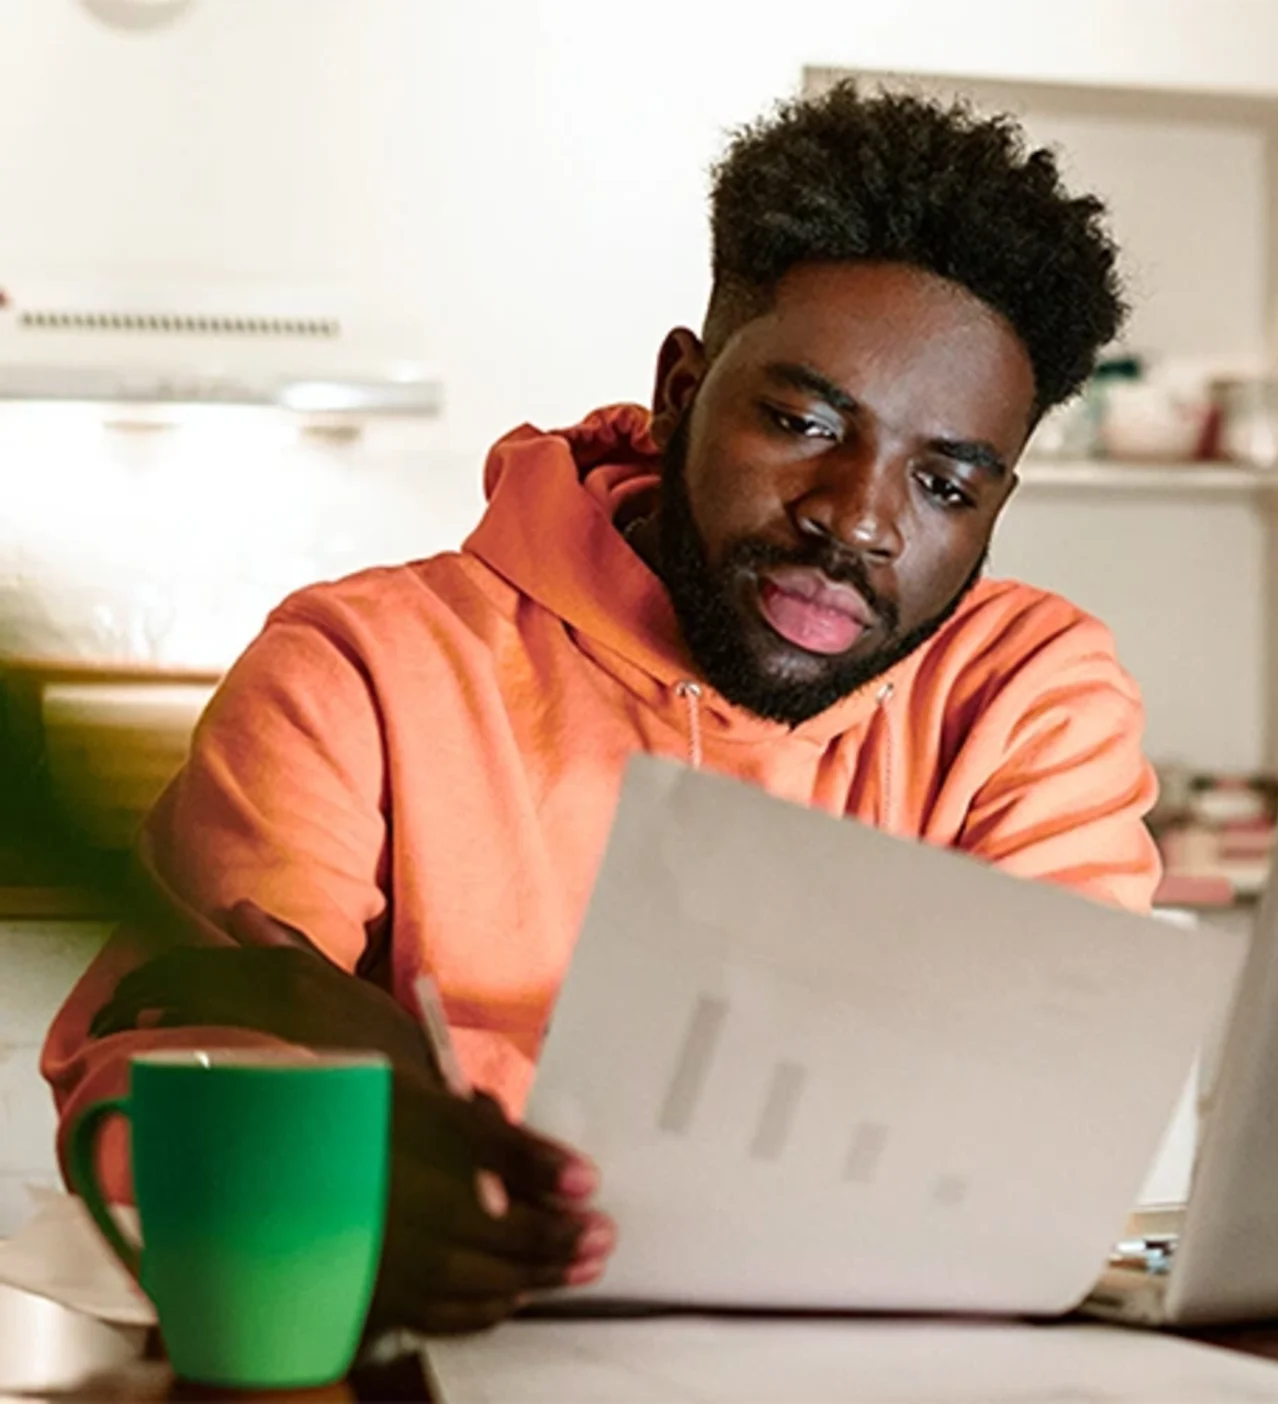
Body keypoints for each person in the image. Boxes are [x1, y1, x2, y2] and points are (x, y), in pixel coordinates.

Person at [42, 83, 1159, 1334]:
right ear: (682, 388)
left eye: (946, 484)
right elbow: (155, 1069)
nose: (856, 520)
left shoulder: (1028, 698)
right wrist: (310, 1185)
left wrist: (431, 1075)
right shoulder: (361, 667)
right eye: (802, 423)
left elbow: (1039, 1134)